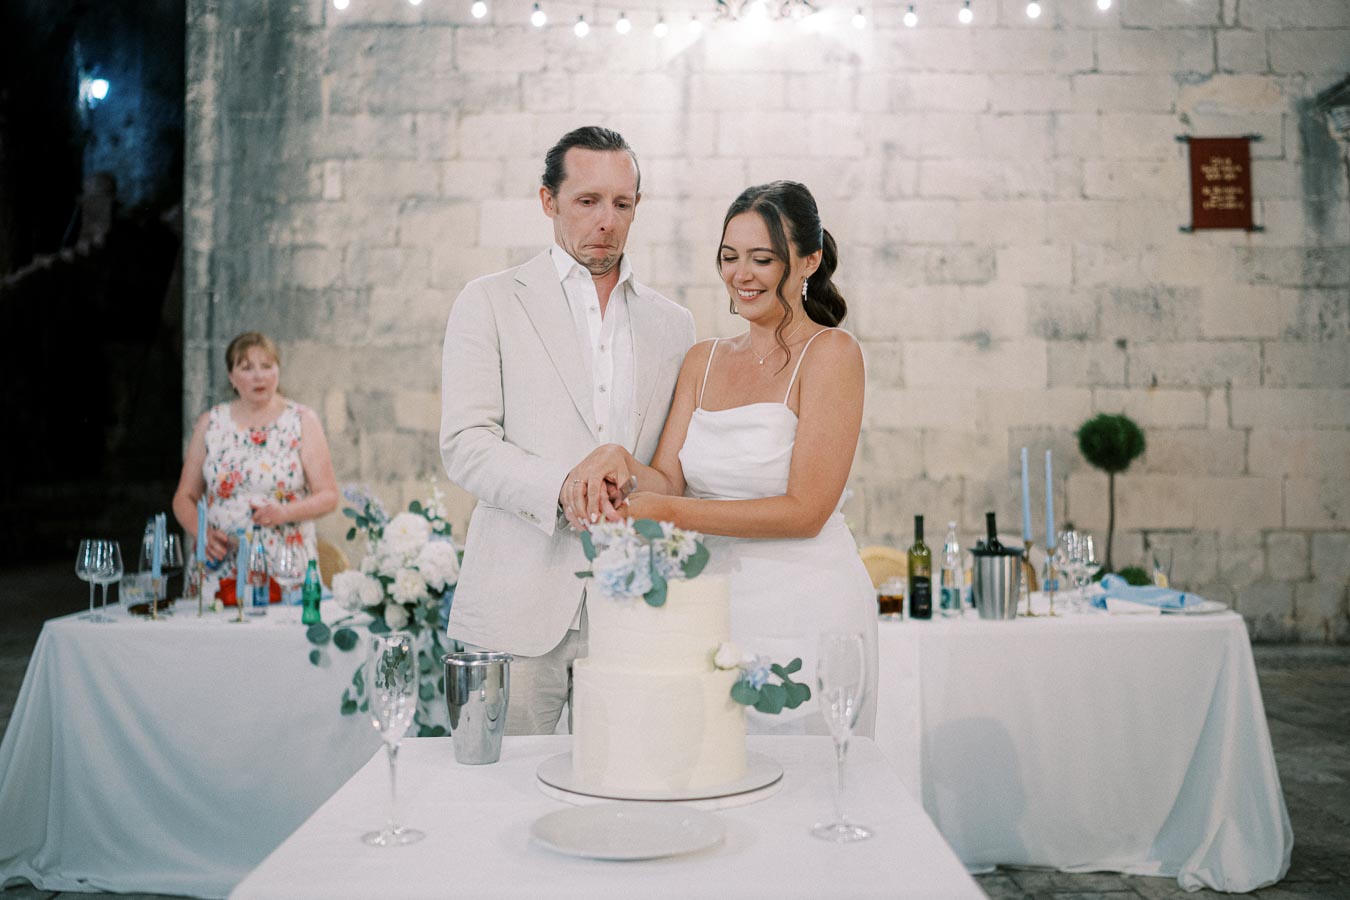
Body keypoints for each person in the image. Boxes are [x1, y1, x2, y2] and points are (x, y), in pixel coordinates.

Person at [570, 181, 878, 736]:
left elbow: (805, 511)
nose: (742, 274)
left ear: (808, 261)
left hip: (805, 601)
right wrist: (619, 463)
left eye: (763, 259)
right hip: (708, 602)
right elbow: (666, 480)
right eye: (729, 257)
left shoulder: (832, 354)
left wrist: (666, 514)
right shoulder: (702, 359)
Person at [439, 126, 697, 735]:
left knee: (620, 805)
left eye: (622, 203)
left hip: (635, 611)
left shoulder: (674, 325)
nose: (606, 220)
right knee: (496, 802)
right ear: (548, 201)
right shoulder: (490, 301)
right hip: (515, 606)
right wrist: (563, 486)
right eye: (587, 201)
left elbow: (673, 469)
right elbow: (466, 445)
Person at [172, 331, 339, 585]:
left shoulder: (301, 420)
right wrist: (201, 532)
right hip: (221, 566)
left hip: (285, 566)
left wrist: (285, 512)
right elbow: (184, 497)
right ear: (232, 377)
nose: (259, 375)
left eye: (267, 366)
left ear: (278, 371)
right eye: (247, 367)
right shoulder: (211, 422)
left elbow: (329, 496)